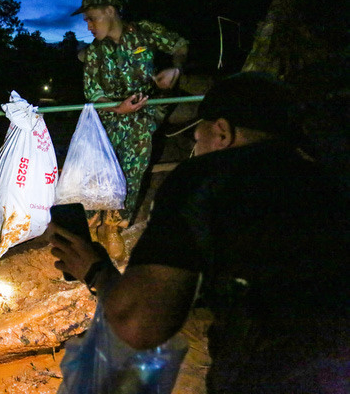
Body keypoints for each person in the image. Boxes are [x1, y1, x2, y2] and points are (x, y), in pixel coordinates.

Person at [49, 72, 349, 393]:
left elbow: (140, 324)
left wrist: (94, 270)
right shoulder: (332, 174)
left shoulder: (208, 178)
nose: (197, 148)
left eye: (197, 139)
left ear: (221, 132)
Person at [72, 0, 189, 259]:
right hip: (108, 117)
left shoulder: (144, 32)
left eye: (92, 17)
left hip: (142, 115)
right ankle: (93, 228)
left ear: (110, 11)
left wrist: (176, 68)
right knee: (97, 171)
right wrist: (117, 107)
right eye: (85, 20)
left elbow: (180, 44)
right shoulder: (93, 53)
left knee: (133, 163)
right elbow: (94, 95)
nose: (88, 25)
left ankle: (113, 227)